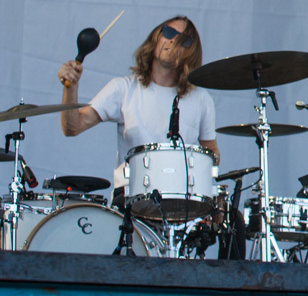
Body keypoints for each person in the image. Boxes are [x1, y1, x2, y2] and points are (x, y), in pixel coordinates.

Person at [58, 16, 219, 201]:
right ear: (155, 38)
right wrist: (70, 87)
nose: (174, 40)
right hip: (131, 197)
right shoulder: (123, 89)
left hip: (182, 201)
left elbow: (212, 154)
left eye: (185, 40)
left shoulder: (201, 99)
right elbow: (72, 127)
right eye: (169, 32)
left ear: (192, 52)